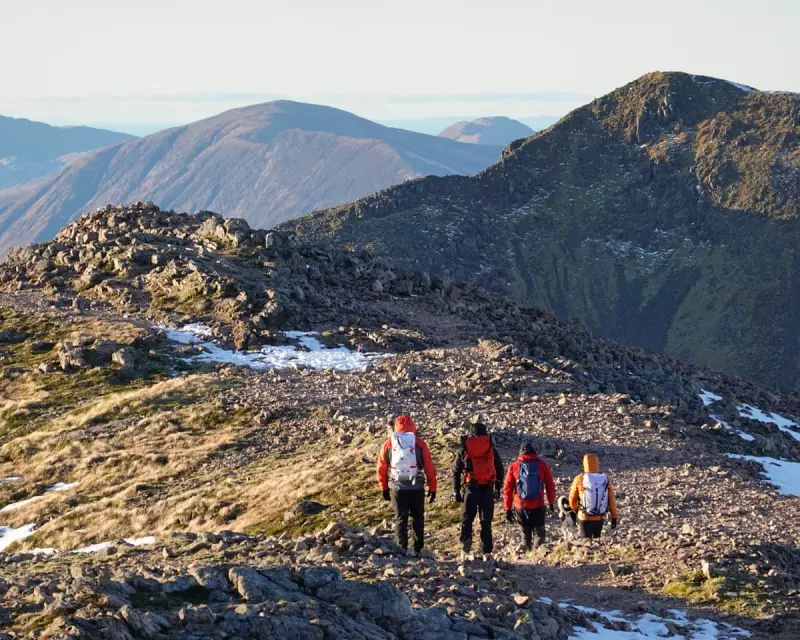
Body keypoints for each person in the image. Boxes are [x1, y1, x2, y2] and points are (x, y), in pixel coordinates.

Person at [376, 415, 437, 556]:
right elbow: (429, 467)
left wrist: (383, 487)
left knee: (400, 518)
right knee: (418, 517)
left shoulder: (389, 444)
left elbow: (381, 467)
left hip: (397, 487)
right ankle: (418, 548)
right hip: (416, 486)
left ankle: (401, 548)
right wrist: (432, 487)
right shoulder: (419, 443)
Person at [452, 422, 504, 560]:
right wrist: (498, 487)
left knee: (467, 518)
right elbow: (499, 469)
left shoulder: (465, 448)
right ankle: (486, 550)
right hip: (487, 488)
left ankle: (466, 545)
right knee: (486, 521)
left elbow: (456, 470)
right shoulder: (490, 447)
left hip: (470, 488)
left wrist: (456, 491)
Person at [503, 441, 556, 551]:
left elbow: (507, 489)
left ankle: (526, 557)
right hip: (538, 505)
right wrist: (551, 502)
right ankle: (537, 556)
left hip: (520, 507)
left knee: (525, 535)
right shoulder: (542, 465)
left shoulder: (514, 466)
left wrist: (507, 509)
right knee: (540, 534)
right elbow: (550, 486)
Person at [568, 453, 618, 539]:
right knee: (597, 542)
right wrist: (614, 516)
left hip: (584, 517)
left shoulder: (580, 478)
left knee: (585, 543)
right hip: (599, 517)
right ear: (597, 463)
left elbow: (572, 499)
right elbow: (611, 499)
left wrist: (576, 510)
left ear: (584, 464)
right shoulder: (604, 479)